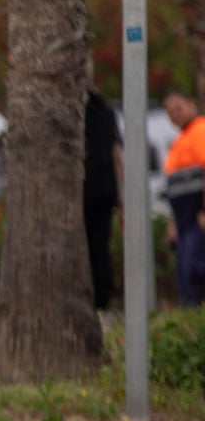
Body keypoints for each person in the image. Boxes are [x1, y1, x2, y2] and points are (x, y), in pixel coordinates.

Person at [83, 88, 122, 312]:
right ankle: (101, 301)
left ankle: (93, 298)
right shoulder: (107, 112)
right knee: (100, 248)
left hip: (87, 186)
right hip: (106, 188)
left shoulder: (80, 112)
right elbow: (117, 152)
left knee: (88, 247)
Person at [164, 93, 205, 307]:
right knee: (185, 276)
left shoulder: (200, 130)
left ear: (192, 104)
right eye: (169, 111)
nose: (174, 114)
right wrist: (173, 222)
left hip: (197, 216)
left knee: (196, 271)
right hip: (183, 219)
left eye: (178, 107)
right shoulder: (179, 140)